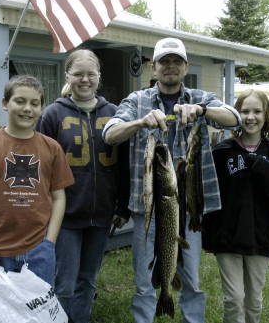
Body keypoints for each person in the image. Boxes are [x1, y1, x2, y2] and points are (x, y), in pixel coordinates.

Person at [103, 37, 241, 323]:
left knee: (191, 278)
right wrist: (140, 122)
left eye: (176, 61)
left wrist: (202, 111)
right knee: (144, 279)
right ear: (153, 68)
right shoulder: (136, 101)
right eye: (164, 61)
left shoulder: (200, 98)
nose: (170, 67)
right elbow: (110, 133)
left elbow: (234, 118)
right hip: (149, 210)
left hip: (189, 211)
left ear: (185, 66)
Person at [0, 75, 74, 323]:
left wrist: (49, 242)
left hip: (39, 252)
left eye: (34, 103)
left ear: (41, 107)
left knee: (37, 316)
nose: (27, 108)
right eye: (20, 101)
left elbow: (58, 197)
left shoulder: (52, 148)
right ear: (5, 103)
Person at [36, 49, 130, 323]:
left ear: (99, 76)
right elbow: (41, 168)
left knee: (87, 279)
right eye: (78, 74)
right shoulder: (52, 115)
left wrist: (122, 205)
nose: (85, 80)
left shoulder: (114, 114)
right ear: (68, 76)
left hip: (102, 213)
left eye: (91, 74)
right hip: (64, 215)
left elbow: (123, 165)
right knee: (64, 282)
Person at [201, 89, 269, 323]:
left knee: (253, 301)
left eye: (257, 111)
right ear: (235, 114)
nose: (251, 117)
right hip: (227, 236)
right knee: (233, 299)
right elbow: (207, 192)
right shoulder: (222, 152)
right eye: (245, 111)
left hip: (259, 237)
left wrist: (262, 166)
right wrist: (208, 231)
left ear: (266, 115)